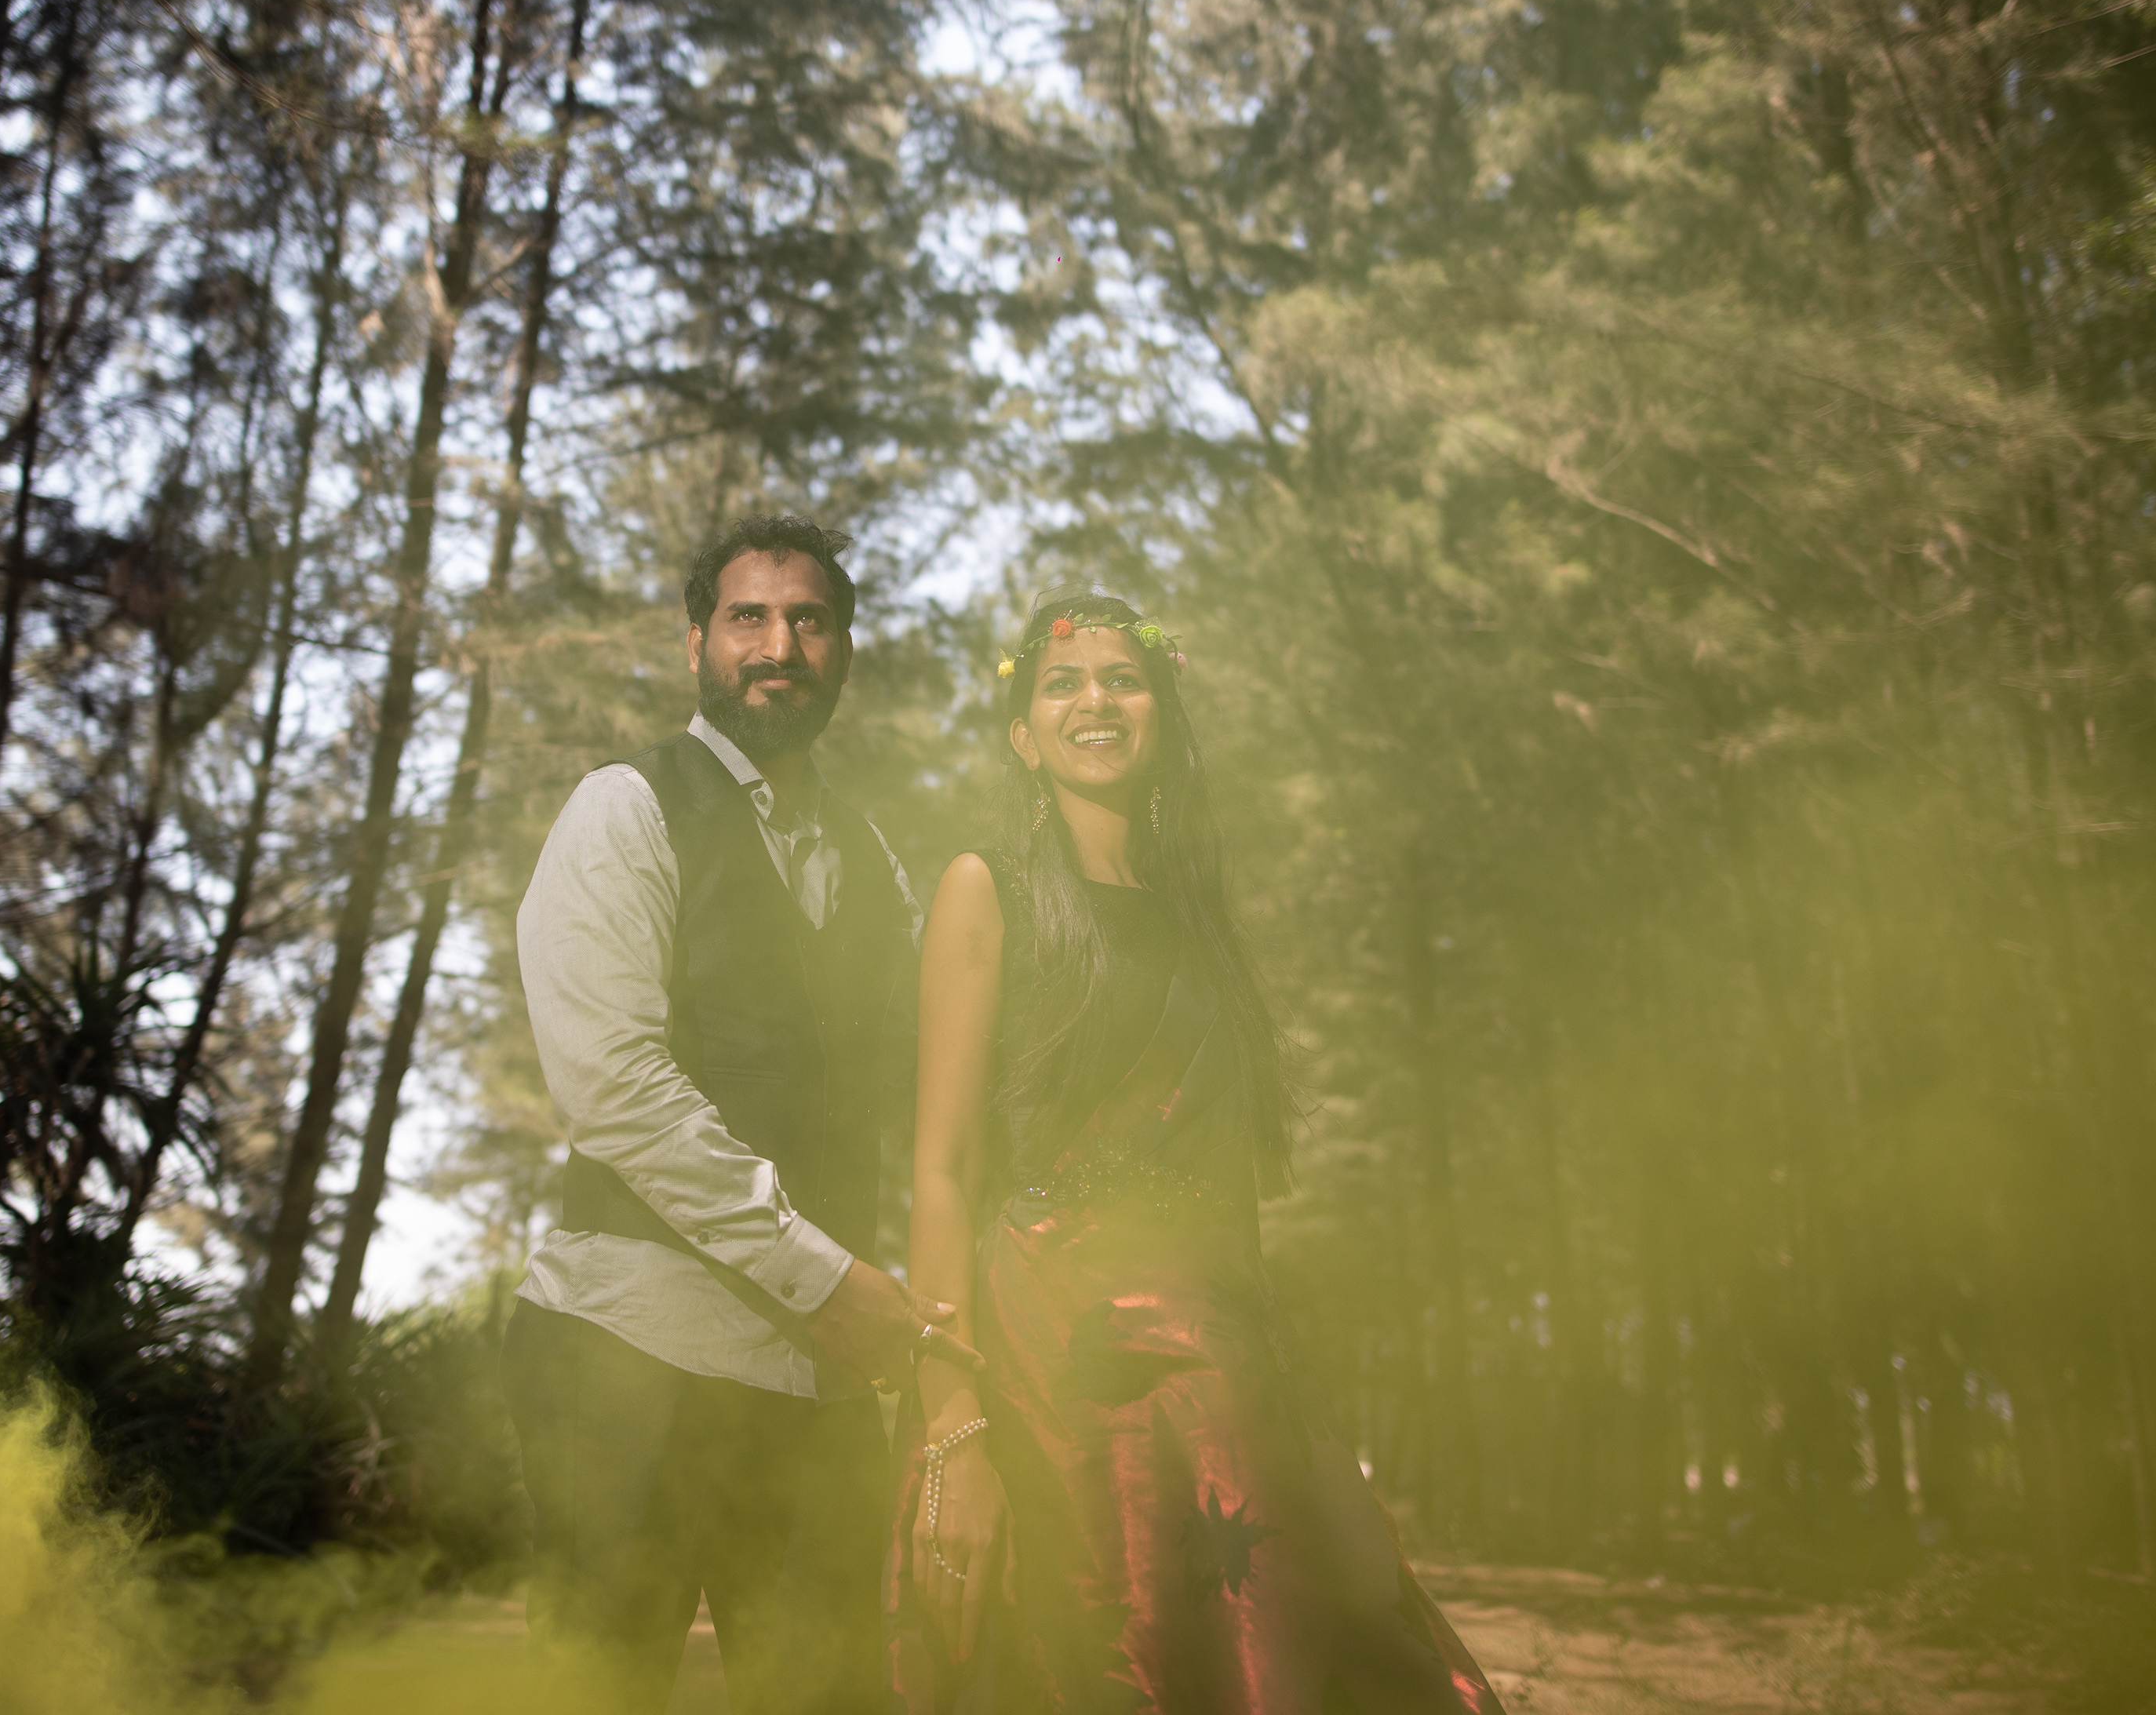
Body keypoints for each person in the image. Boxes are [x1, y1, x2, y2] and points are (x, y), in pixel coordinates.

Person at [891, 591, 1502, 1714]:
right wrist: (950, 1430)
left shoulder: (1201, 920)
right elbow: (942, 1170)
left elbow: (1232, 1207)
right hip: (1047, 1375)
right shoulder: (987, 890)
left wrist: (1307, 1435)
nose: (1095, 700)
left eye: (1124, 680)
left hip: (1219, 1379)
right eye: (1063, 683)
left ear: (1162, 716)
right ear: (1023, 735)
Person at [507, 513, 960, 1715]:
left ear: (843, 650)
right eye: (747, 617)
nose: (779, 646)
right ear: (694, 644)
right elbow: (614, 1085)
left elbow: (932, 1087)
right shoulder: (625, 809)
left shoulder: (875, 860)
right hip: (627, 1357)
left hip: (817, 1388)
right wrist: (826, 1279)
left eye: (810, 621)